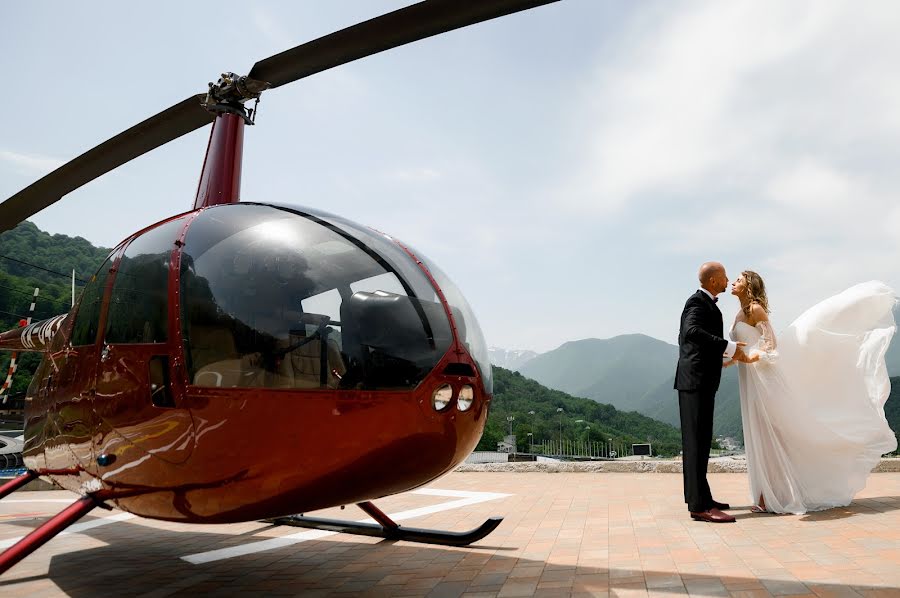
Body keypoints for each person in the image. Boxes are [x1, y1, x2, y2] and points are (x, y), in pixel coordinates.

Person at [725, 272, 897, 514]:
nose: (734, 282)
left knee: (770, 435)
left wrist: (751, 358)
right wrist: (731, 362)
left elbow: (770, 345)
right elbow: (742, 348)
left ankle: (775, 495)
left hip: (763, 378)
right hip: (748, 379)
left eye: (739, 279)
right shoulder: (739, 313)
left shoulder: (756, 310)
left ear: (749, 285)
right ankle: (765, 495)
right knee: (758, 435)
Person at [675, 262, 751, 523]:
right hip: (694, 382)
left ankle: (702, 497)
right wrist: (727, 346)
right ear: (713, 280)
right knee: (695, 444)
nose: (727, 280)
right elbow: (691, 332)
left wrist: (716, 358)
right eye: (724, 277)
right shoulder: (696, 303)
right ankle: (699, 507)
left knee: (702, 442)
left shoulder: (704, 303)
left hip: (700, 380)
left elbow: (687, 339)